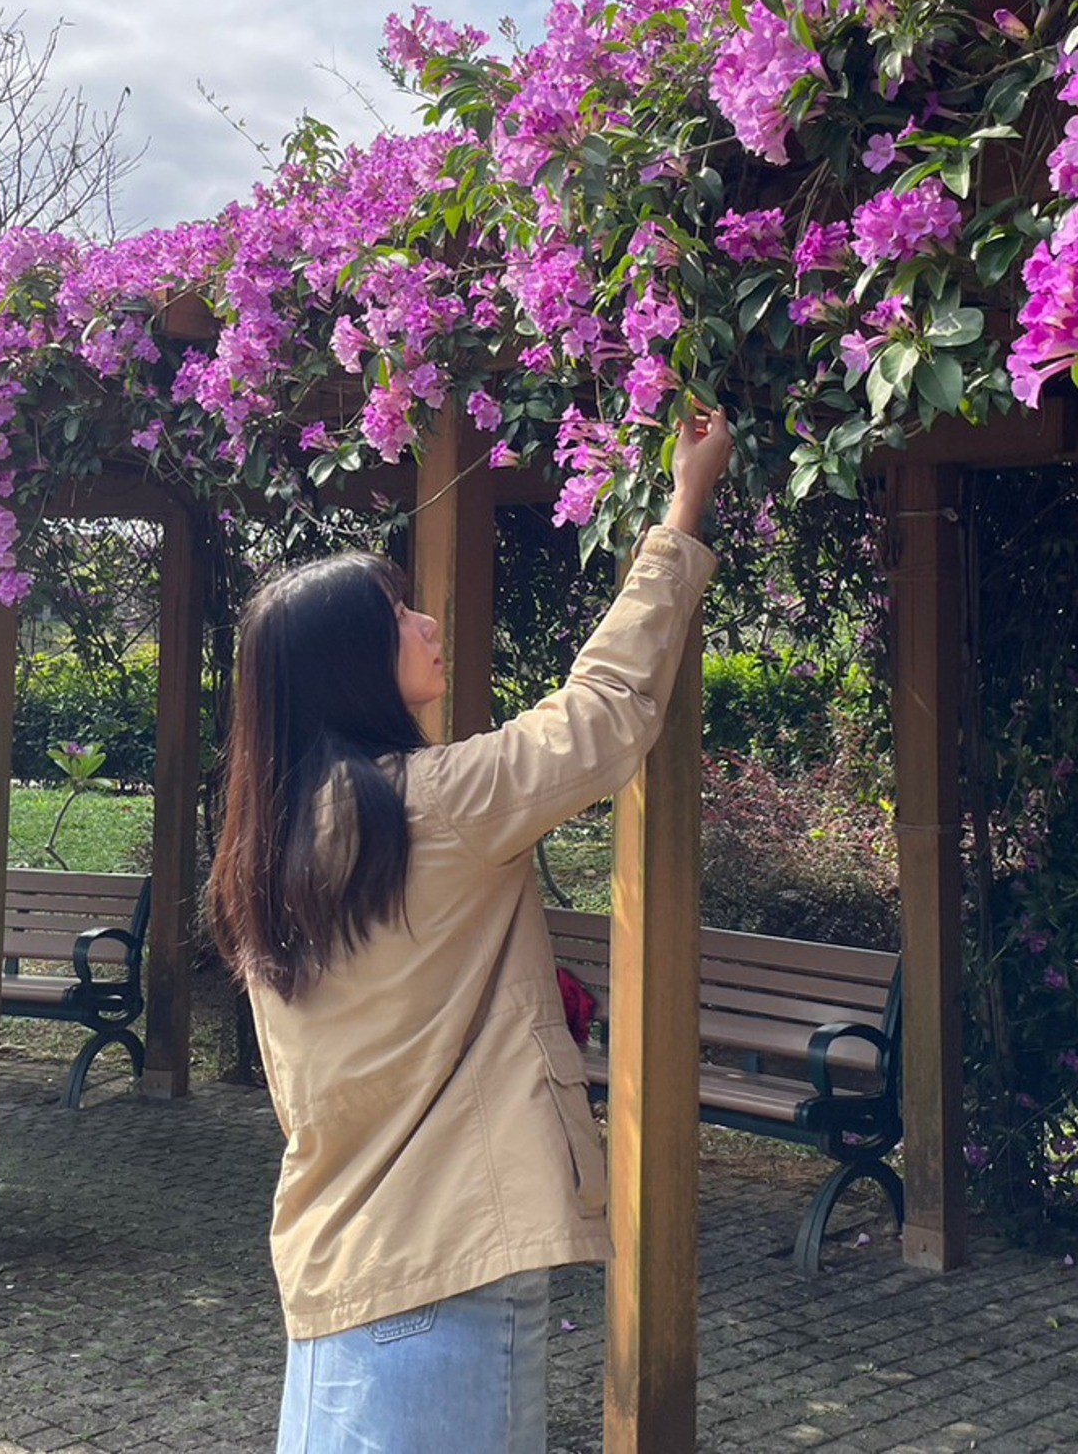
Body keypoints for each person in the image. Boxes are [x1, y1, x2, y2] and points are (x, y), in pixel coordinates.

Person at [207, 404, 734, 1454]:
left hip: (338, 1282)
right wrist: (683, 508)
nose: (429, 624)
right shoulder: (433, 804)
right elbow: (604, 712)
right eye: (398, 616)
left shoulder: (268, 845)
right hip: (449, 1276)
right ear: (351, 662)